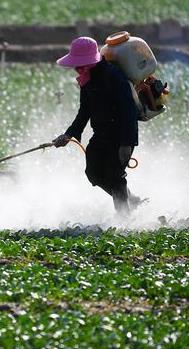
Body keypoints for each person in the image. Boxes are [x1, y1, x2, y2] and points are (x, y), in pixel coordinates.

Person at [52, 36, 141, 215]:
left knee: (114, 175)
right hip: (101, 134)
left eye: (80, 64)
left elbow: (129, 111)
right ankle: (131, 199)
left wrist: (127, 143)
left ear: (90, 61)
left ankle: (124, 219)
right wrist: (69, 135)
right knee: (93, 173)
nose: (77, 68)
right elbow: (85, 111)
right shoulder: (88, 79)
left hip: (121, 135)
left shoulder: (115, 77)